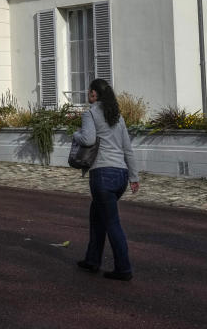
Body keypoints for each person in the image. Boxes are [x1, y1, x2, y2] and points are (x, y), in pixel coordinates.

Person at [73, 78, 139, 281]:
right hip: (120, 175)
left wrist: (75, 134)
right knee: (96, 216)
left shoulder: (90, 113)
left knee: (112, 223)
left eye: (89, 92)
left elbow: (88, 139)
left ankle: (124, 268)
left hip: (102, 174)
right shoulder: (117, 117)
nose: (87, 94)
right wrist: (134, 176)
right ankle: (92, 260)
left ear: (94, 94)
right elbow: (128, 148)